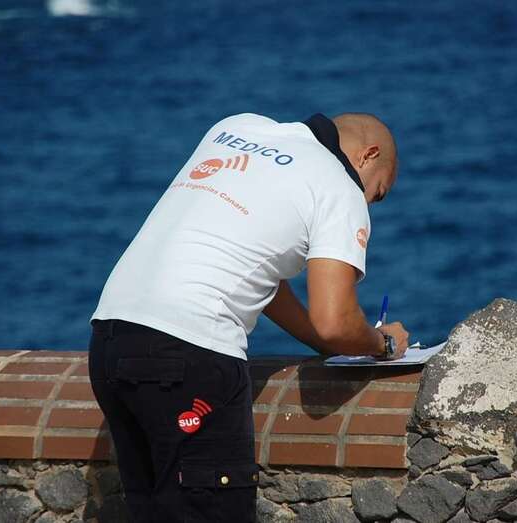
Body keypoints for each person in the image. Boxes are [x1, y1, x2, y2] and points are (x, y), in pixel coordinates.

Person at [88, 112, 410, 522]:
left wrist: (326, 344)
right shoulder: (339, 185)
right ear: (368, 156)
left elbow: (262, 278)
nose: (369, 204)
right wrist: (382, 344)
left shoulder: (235, 128)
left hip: (111, 341)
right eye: (377, 193)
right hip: (190, 354)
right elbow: (335, 320)